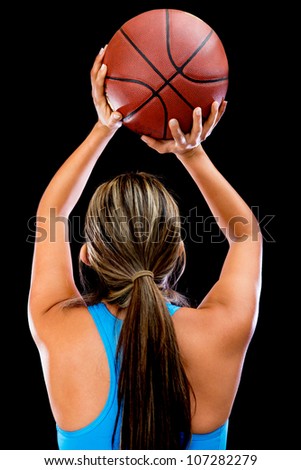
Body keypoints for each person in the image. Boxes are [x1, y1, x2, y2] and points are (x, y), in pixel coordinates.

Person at [28, 47, 262, 450]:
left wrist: (106, 124)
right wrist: (191, 151)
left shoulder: (56, 325)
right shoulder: (220, 331)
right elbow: (246, 235)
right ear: (177, 254)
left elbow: (52, 213)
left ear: (86, 255)